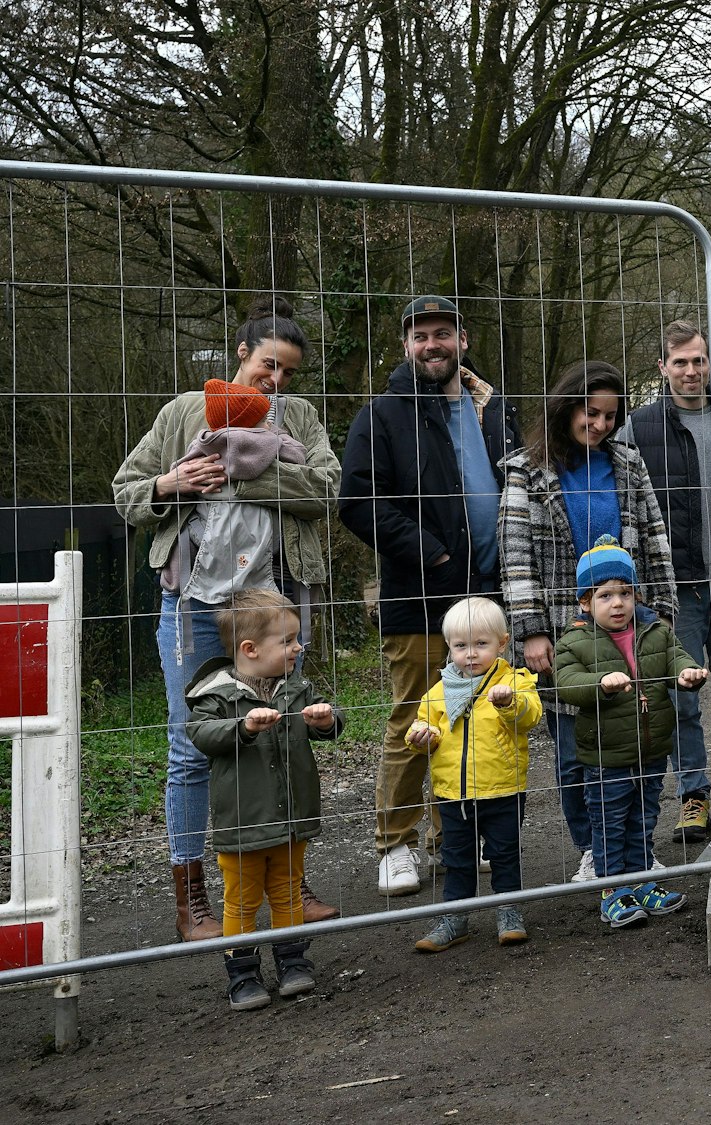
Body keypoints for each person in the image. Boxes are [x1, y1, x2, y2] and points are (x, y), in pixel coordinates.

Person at [113, 298, 341, 940]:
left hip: (268, 605)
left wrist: (245, 475)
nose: (277, 382)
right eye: (269, 366)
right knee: (192, 746)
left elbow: (328, 489)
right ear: (243, 354)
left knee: (281, 732)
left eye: (289, 373)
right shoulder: (184, 412)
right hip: (189, 606)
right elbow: (126, 491)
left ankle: (288, 888)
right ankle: (192, 902)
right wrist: (170, 484)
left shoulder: (298, 417)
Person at [340, 295, 518, 897]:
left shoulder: (491, 408)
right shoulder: (384, 414)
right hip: (419, 594)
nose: (433, 345)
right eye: (421, 337)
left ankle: (455, 839)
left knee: (477, 716)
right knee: (414, 716)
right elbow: (359, 503)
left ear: (463, 340)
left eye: (444, 334)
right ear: (406, 346)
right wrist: (432, 552)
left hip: (488, 595)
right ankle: (394, 844)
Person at [497, 359, 676, 885]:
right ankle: (594, 851)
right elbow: (515, 555)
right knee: (576, 751)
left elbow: (654, 536)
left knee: (638, 739)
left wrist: (661, 612)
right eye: (589, 412)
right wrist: (531, 630)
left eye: (608, 416)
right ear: (566, 406)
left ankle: (637, 849)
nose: (598, 425)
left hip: (630, 624)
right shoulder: (524, 469)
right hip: (562, 630)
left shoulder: (627, 464)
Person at [624, 320, 711, 843]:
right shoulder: (640, 427)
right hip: (673, 588)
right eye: (679, 362)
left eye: (698, 360)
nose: (690, 371)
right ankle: (693, 794)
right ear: (663, 367)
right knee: (681, 694)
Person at [186, 589, 342, 1011]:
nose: (298, 647)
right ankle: (243, 975)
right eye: (288, 641)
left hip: (292, 815)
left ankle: (293, 963)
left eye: (296, 638)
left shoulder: (296, 686)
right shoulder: (215, 695)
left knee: (289, 890)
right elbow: (200, 736)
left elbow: (328, 722)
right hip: (243, 820)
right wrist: (244, 726)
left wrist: (328, 719)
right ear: (249, 649)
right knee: (241, 899)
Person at [553, 539, 708, 928]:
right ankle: (612, 890)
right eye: (605, 595)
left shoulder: (654, 631)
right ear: (584, 603)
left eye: (625, 592)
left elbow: (677, 658)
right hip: (606, 756)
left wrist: (688, 673)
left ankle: (641, 881)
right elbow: (566, 682)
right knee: (609, 821)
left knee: (644, 817)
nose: (618, 603)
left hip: (651, 749)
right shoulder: (573, 641)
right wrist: (601, 681)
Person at [405, 597, 543, 951]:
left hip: (503, 789)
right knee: (457, 857)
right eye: (460, 645)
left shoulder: (515, 681)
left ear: (502, 643)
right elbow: (426, 727)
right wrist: (421, 737)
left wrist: (509, 703)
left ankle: (508, 910)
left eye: (480, 644)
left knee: (504, 853)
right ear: (449, 647)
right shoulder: (439, 691)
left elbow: (530, 716)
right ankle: (455, 917)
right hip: (454, 793)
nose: (470, 654)